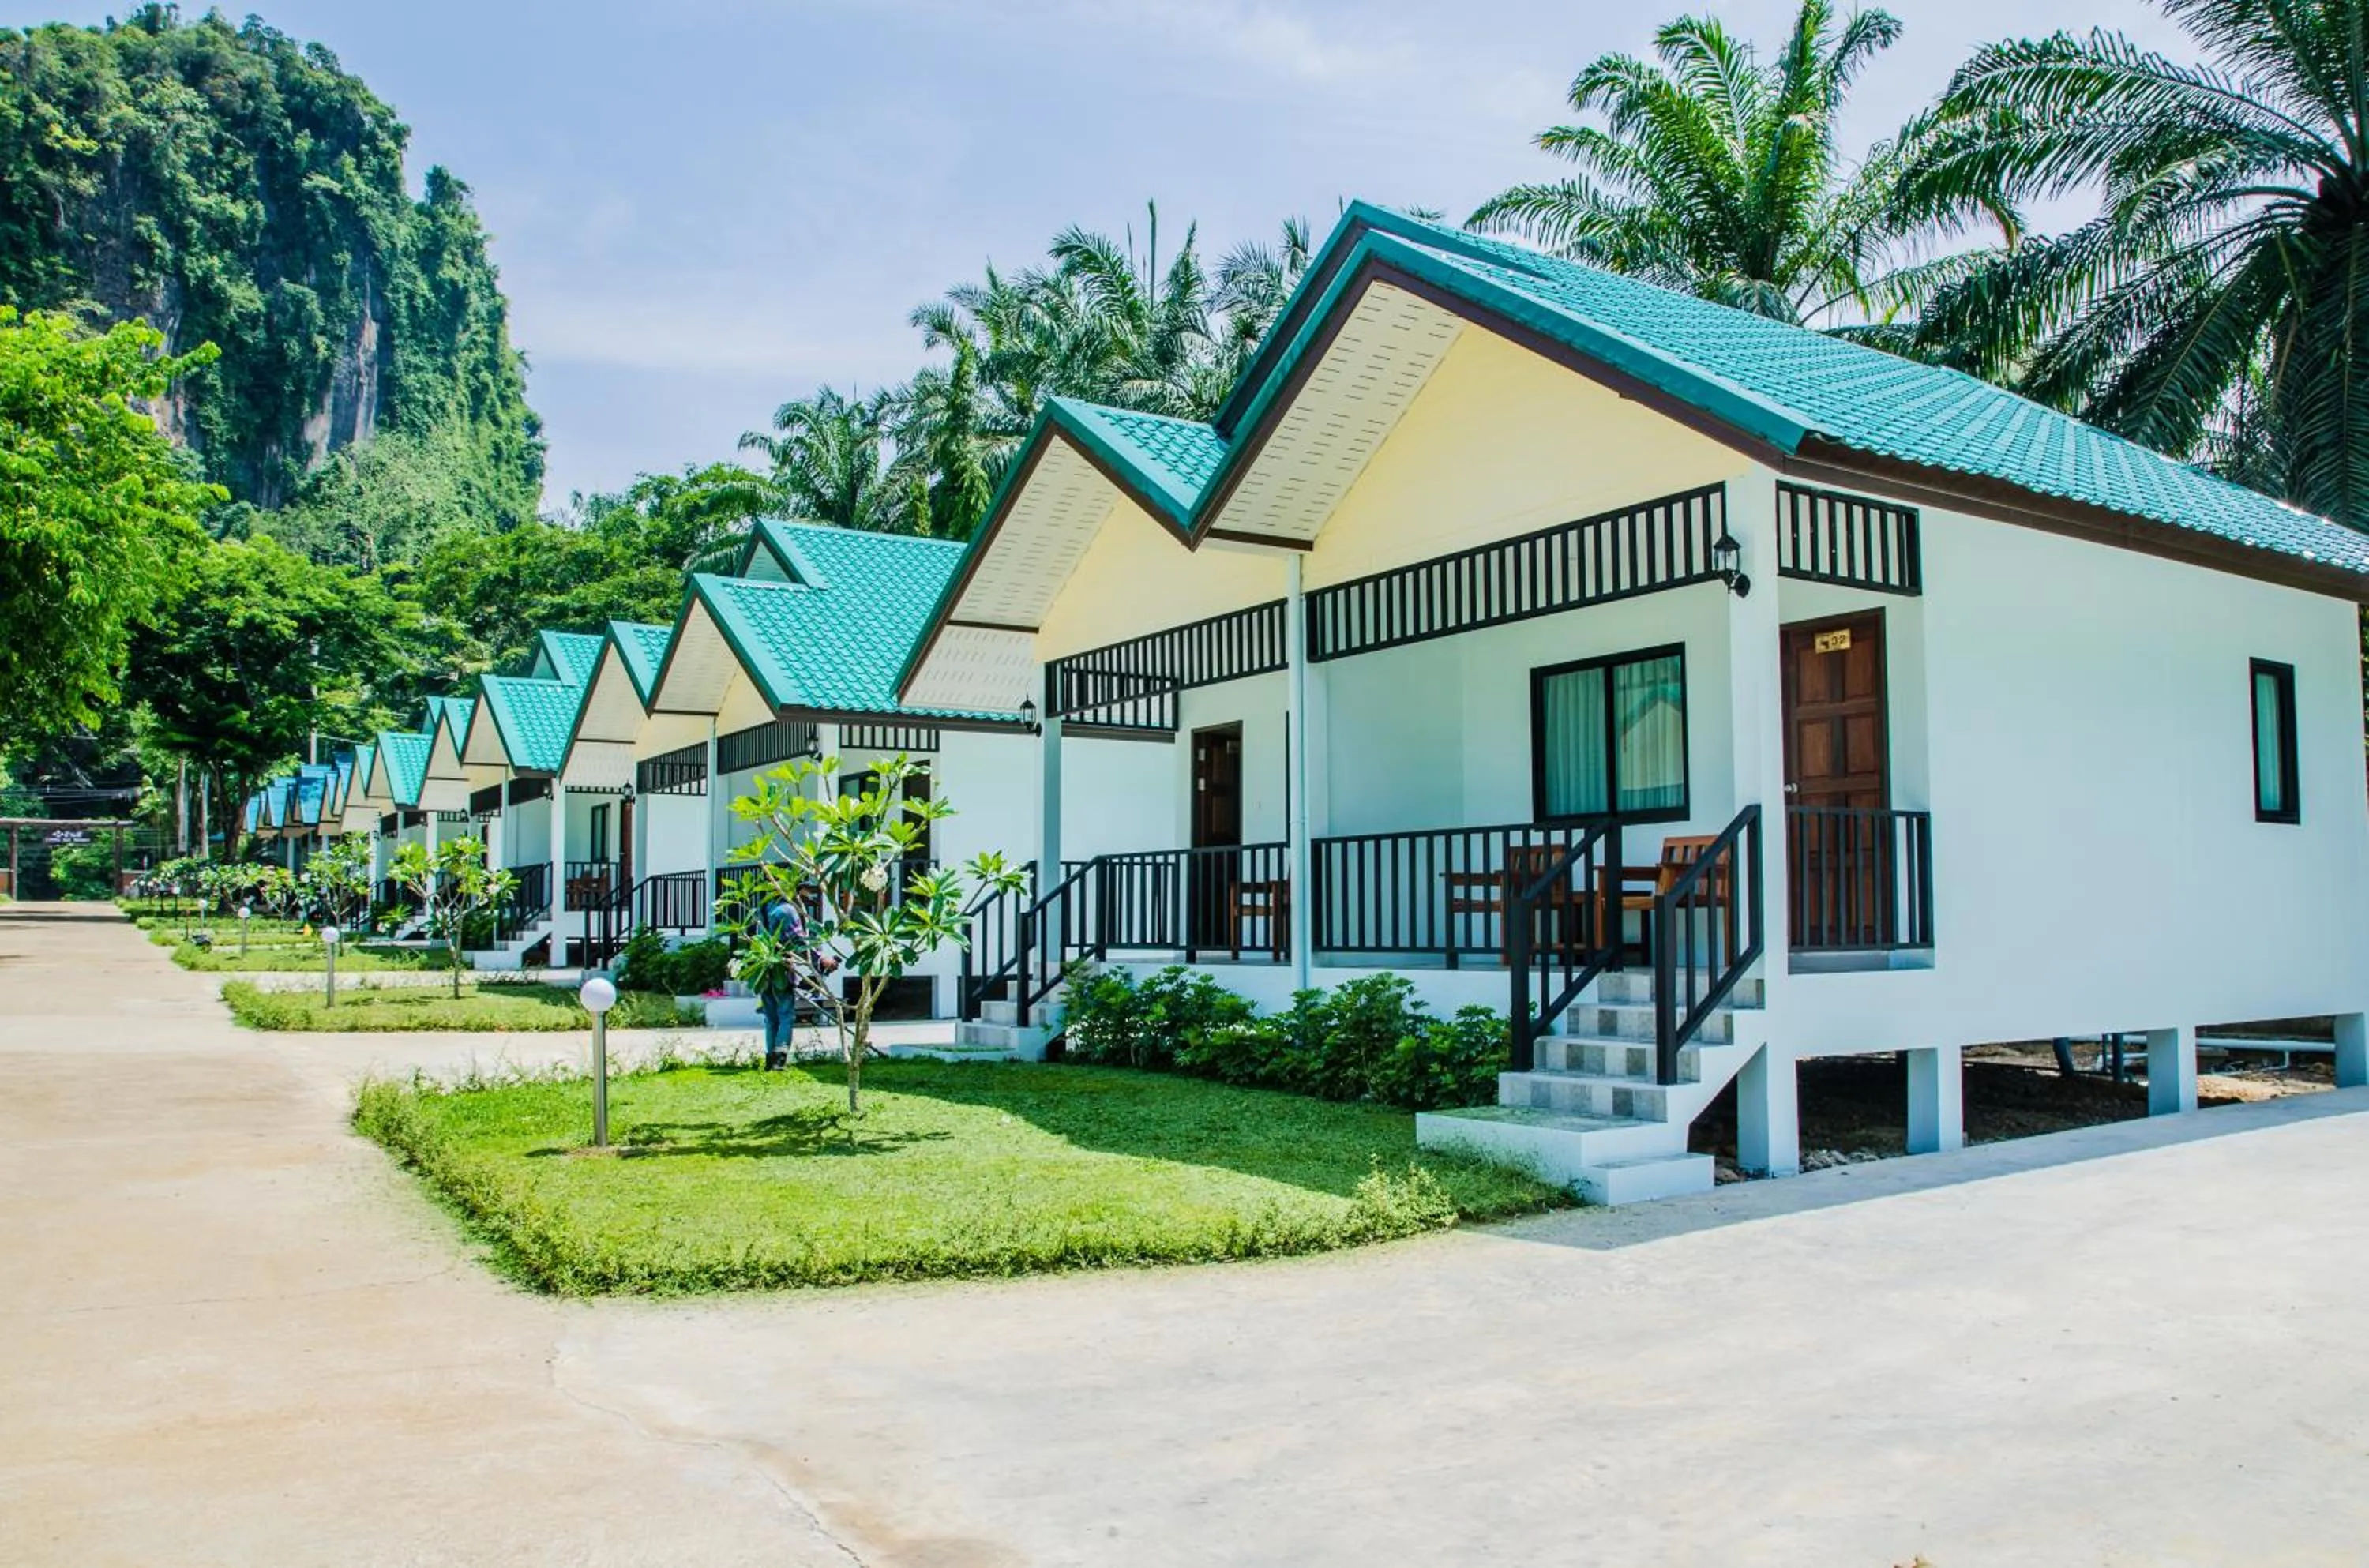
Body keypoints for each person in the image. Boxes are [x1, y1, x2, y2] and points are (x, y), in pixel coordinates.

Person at [755, 892, 835, 1070]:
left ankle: (770, 1061)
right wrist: (822, 959)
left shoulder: (763, 908)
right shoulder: (788, 910)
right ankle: (779, 1061)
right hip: (781, 970)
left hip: (762, 968)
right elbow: (799, 941)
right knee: (785, 1015)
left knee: (771, 1018)